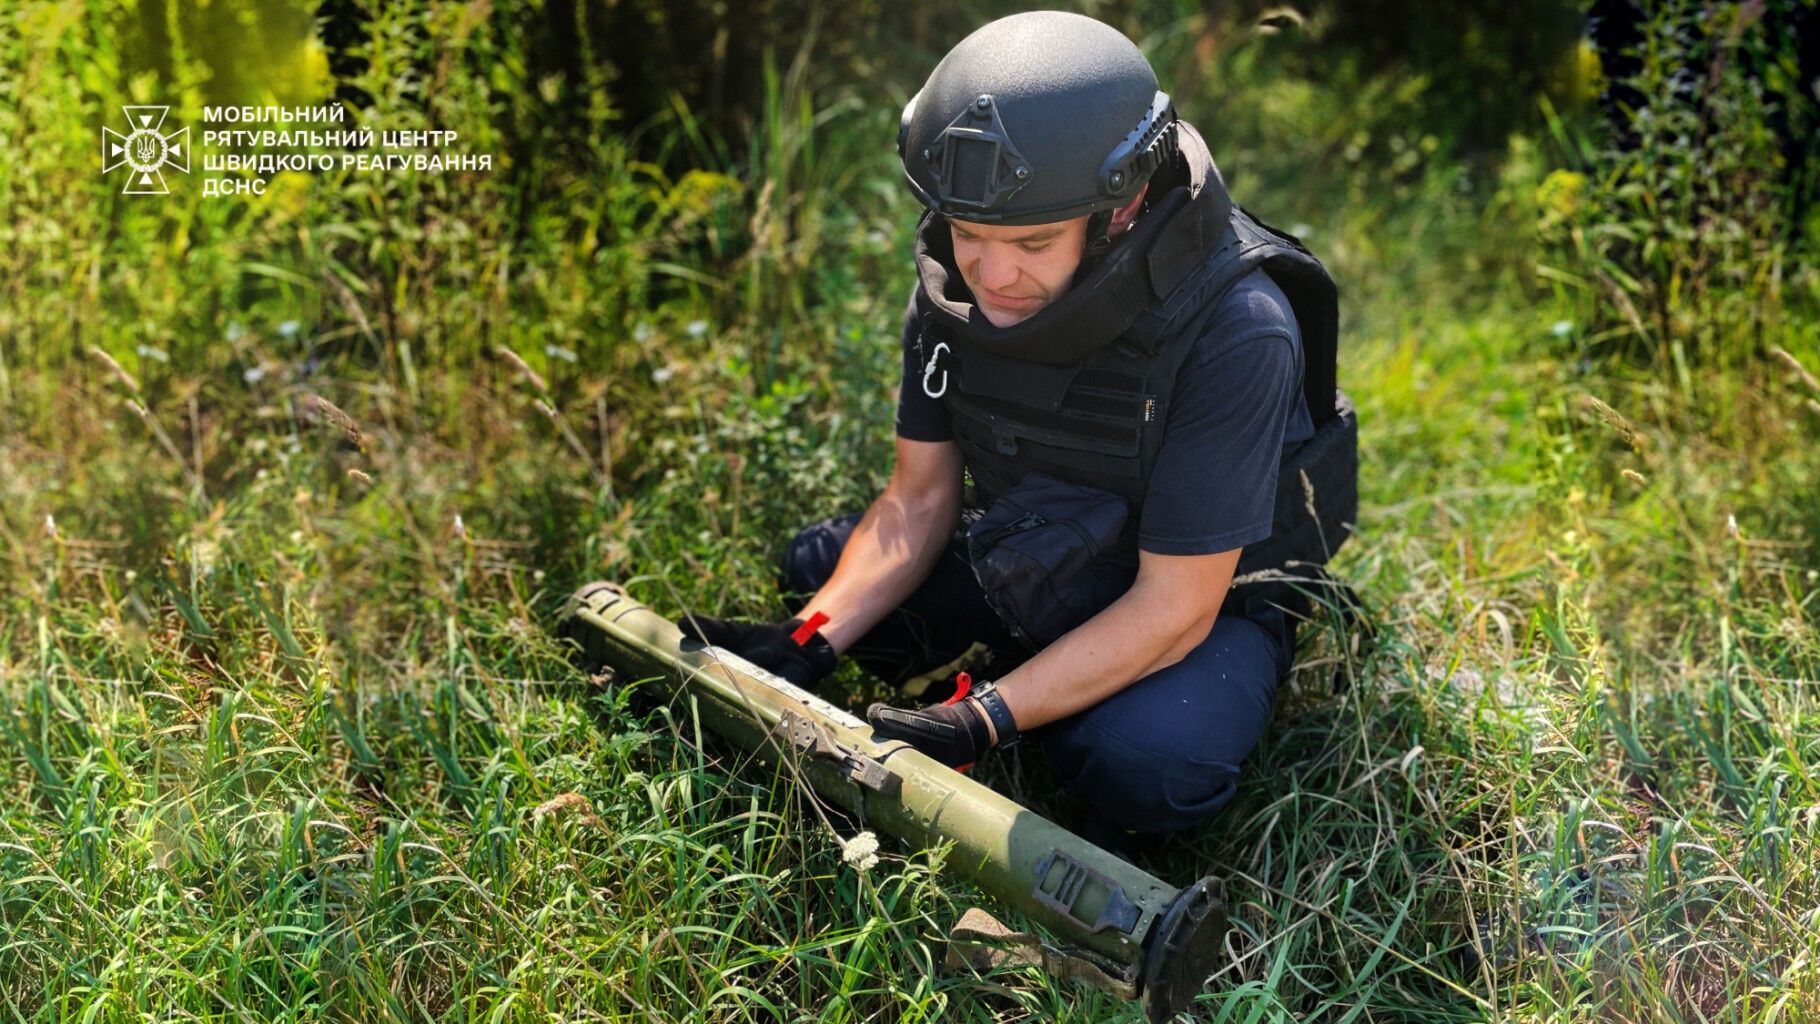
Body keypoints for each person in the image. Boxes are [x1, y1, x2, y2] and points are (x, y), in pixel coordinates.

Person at [679, 10, 1357, 848]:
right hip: (1036, 547)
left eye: (1033, 242)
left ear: (1124, 206)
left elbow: (1176, 606)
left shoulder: (1233, 327)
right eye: (969, 235)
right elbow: (919, 499)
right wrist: (808, 641)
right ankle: (1032, 677)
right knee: (815, 576)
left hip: (1198, 599)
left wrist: (980, 720)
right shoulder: (957, 285)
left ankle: (1090, 699)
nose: (993, 275)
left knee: (1142, 767)